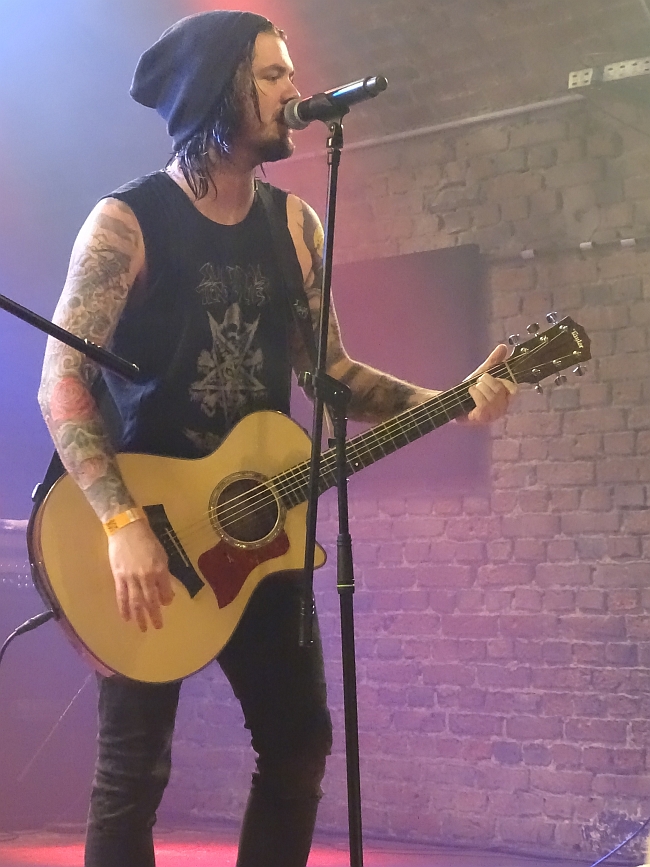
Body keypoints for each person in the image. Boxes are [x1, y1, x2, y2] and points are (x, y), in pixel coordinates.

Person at [37, 10, 517, 867]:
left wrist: (451, 401)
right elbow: (62, 381)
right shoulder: (127, 222)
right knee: (133, 774)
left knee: (299, 746)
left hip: (262, 529)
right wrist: (121, 524)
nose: (295, 88)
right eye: (270, 74)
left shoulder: (295, 227)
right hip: (151, 533)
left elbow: (332, 373)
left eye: (289, 72)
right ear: (215, 91)